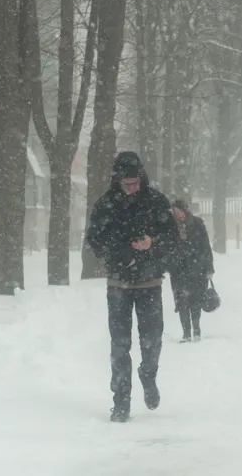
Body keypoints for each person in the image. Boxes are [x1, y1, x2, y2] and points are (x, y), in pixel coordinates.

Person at [85, 151, 178, 423]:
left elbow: (172, 238)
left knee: (152, 340)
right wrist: (122, 250)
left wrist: (152, 243)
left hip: (150, 281)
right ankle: (121, 401)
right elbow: (94, 241)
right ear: (117, 181)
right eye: (127, 184)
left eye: (136, 182)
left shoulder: (157, 201)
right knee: (120, 344)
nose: (132, 188)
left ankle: (148, 375)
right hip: (118, 283)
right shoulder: (106, 205)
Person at [168, 199, 214, 343]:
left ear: (185, 210)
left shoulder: (197, 224)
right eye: (175, 212)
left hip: (196, 268)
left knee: (195, 300)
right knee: (181, 302)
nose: (177, 214)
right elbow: (166, 247)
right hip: (178, 270)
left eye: (179, 211)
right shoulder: (170, 227)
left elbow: (205, 246)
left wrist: (209, 266)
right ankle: (186, 333)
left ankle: (196, 329)